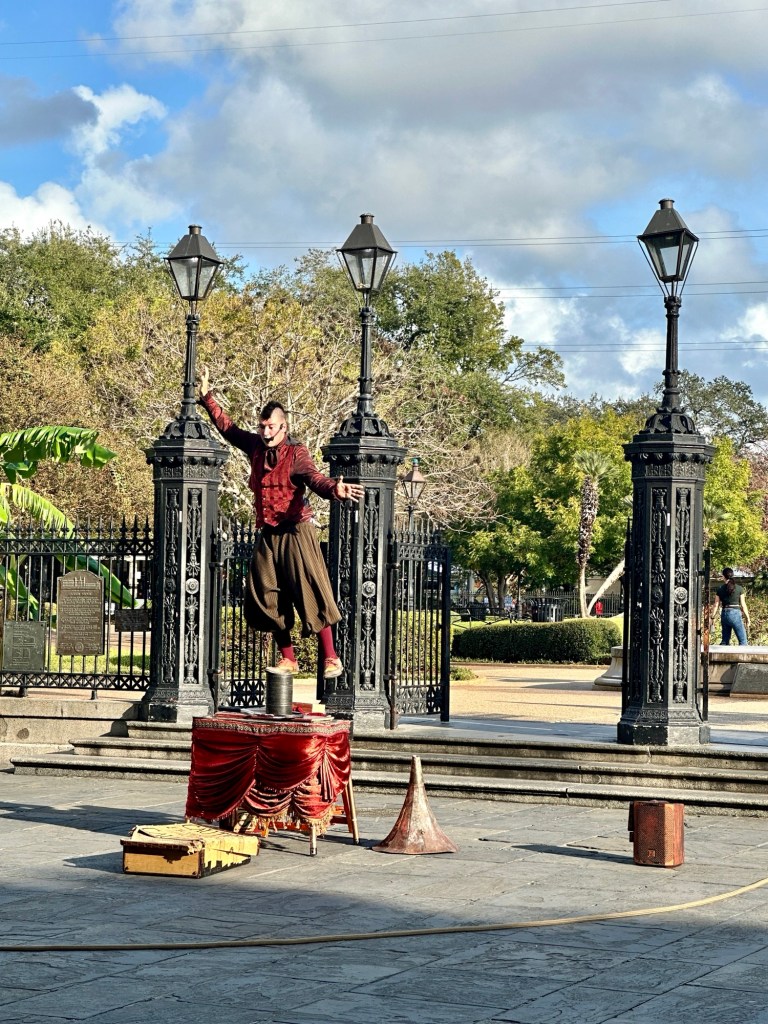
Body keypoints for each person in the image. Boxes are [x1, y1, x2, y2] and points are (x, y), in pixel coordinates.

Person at [198, 366, 364, 678]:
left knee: (310, 589)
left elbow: (313, 478)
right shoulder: (256, 447)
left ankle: (331, 657)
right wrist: (208, 398)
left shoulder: (296, 452)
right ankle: (288, 658)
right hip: (268, 531)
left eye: (270, 426)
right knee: (265, 592)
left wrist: (335, 489)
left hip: (297, 529)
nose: (265, 432)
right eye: (261, 427)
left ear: (283, 426)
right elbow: (228, 429)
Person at [712, 567, 751, 646]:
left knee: (725, 641)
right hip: (735, 613)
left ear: (723, 576)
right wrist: (748, 618)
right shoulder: (739, 588)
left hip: (724, 614)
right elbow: (743, 605)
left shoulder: (720, 589)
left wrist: (712, 617)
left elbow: (716, 604)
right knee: (743, 641)